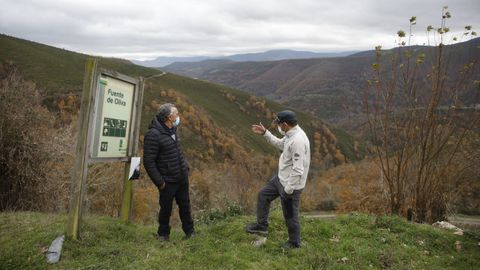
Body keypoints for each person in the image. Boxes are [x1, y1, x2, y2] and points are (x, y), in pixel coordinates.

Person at [247, 110, 311, 248]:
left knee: (290, 215)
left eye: (279, 124)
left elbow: (298, 169)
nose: (278, 127)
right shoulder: (290, 134)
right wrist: (266, 133)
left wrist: (288, 190)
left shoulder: (298, 141)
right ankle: (261, 226)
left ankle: (294, 243)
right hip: (280, 179)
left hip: (290, 185)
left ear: (286, 124)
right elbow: (281, 144)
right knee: (263, 195)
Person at [143, 103, 195, 242]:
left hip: (181, 176)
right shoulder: (153, 135)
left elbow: (177, 151)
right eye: (176, 113)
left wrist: (185, 166)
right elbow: (149, 162)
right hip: (167, 180)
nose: (178, 116)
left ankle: (190, 233)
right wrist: (160, 182)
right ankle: (163, 235)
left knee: (185, 205)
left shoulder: (173, 129)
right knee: (166, 209)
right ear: (168, 117)